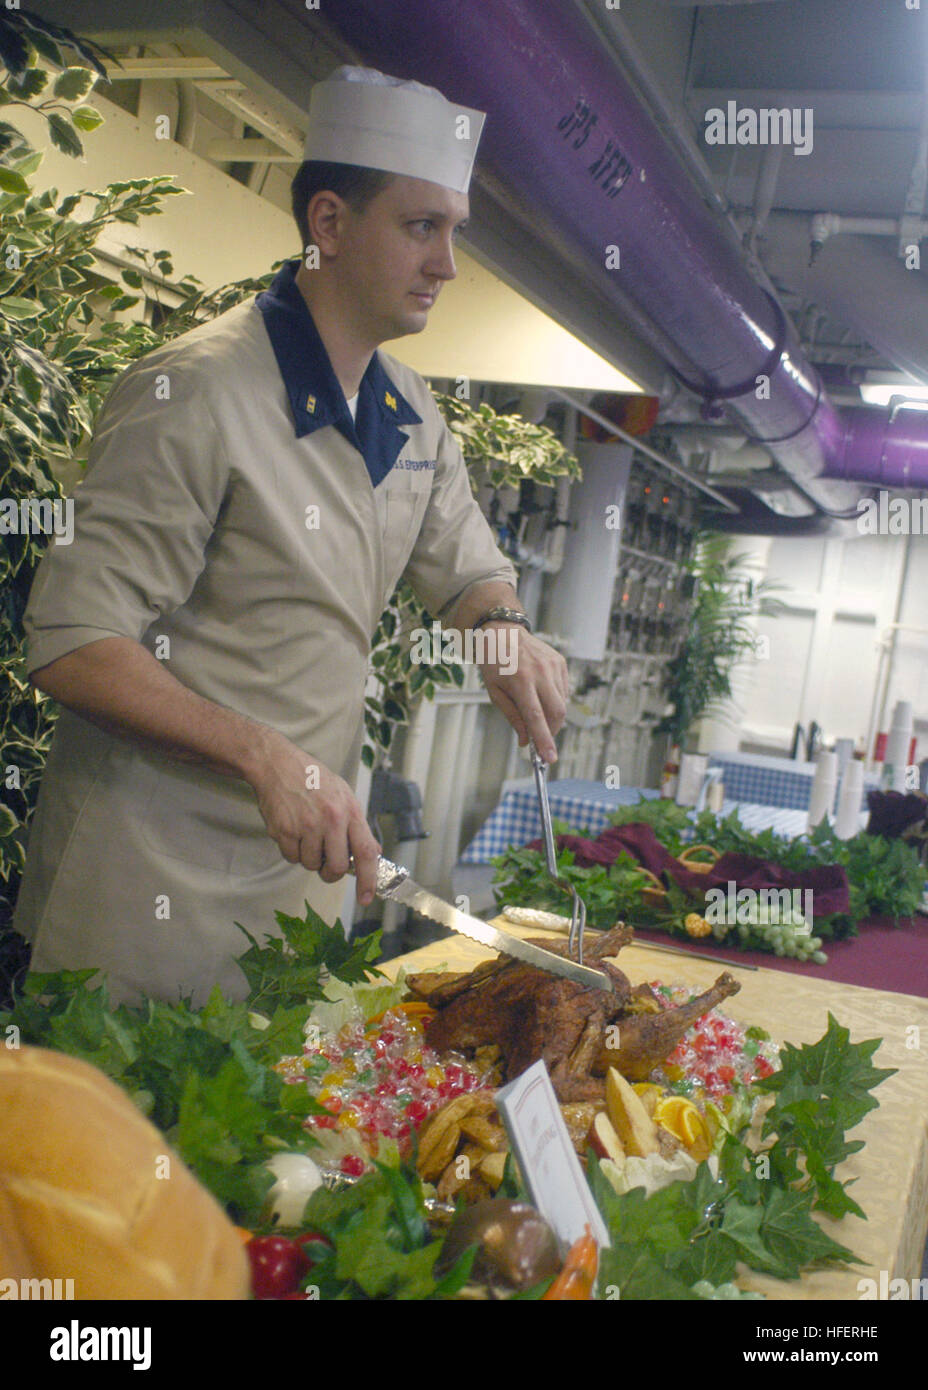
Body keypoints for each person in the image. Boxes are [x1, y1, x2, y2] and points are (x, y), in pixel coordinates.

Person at [12, 66, 568, 1005]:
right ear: (330, 224)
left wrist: (502, 625)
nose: (447, 265)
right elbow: (73, 644)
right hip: (141, 891)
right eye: (421, 228)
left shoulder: (411, 414)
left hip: (291, 894)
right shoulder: (193, 391)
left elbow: (467, 564)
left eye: (452, 233)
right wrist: (266, 757)